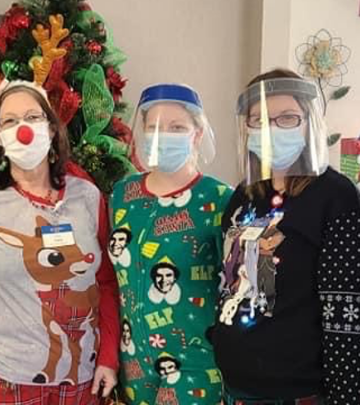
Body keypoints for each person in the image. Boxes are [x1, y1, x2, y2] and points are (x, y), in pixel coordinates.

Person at [0, 80, 119, 405]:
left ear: (51, 128)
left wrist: (108, 356)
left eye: (33, 117)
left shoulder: (88, 197)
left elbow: (106, 283)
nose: (23, 128)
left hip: (80, 380)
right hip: (2, 378)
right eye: (10, 121)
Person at [209, 68, 360, 405]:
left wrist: (345, 399)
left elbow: (345, 316)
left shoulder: (338, 200)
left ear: (308, 123)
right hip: (239, 384)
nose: (270, 129)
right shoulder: (246, 194)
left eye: (286, 118)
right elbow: (232, 283)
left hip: (298, 391)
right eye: (259, 120)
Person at [109, 83, 231, 404]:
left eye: (177, 127)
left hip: (196, 361)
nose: (163, 135)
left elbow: (236, 286)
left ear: (197, 133)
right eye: (155, 127)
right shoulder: (122, 195)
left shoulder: (220, 200)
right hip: (132, 358)